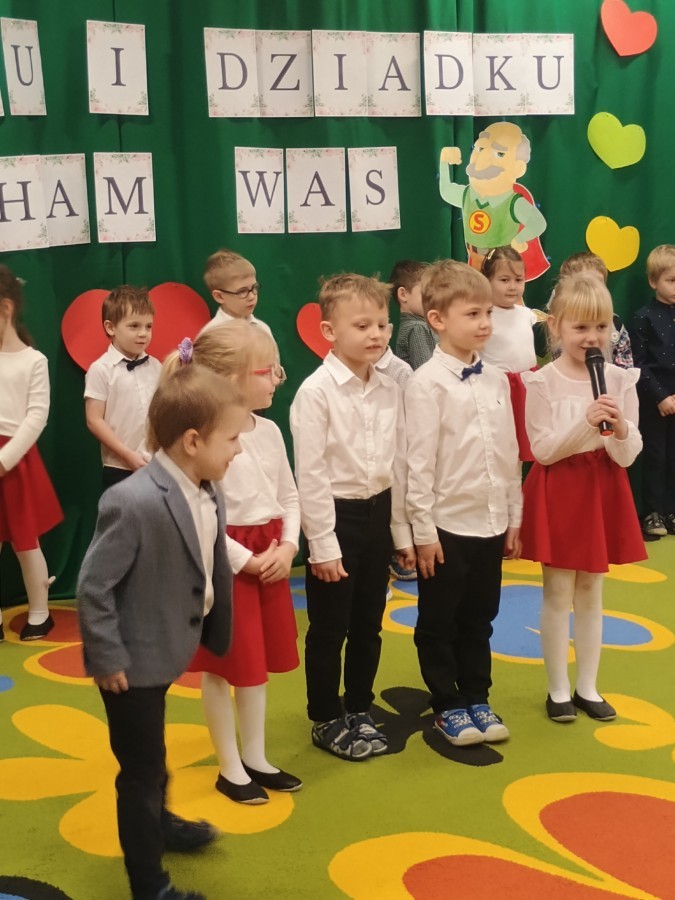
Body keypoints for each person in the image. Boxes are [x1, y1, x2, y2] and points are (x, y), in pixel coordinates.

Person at [77, 364, 248, 900]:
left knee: (152, 751)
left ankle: (162, 822)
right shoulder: (132, 502)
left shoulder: (207, 486)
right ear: (193, 441)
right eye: (232, 439)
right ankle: (149, 884)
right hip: (130, 663)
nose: (239, 449)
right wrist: (108, 658)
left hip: (167, 644)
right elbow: (94, 588)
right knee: (140, 771)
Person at [170, 322, 302, 805]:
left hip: (270, 558)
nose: (276, 380)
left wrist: (288, 547)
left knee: (256, 664)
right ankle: (229, 767)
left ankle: (256, 757)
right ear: (230, 379)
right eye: (268, 371)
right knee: (223, 668)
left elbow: (289, 496)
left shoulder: (269, 431)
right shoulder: (202, 439)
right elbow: (198, 512)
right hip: (225, 564)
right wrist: (247, 561)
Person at [290, 274, 414, 761]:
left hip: (379, 514)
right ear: (329, 331)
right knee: (329, 628)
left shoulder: (390, 388)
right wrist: (322, 545)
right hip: (336, 518)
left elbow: (398, 464)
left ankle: (359, 706)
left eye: (382, 324)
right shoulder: (315, 393)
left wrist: (401, 532)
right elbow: (311, 475)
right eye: (362, 326)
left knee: (368, 623)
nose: (376, 334)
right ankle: (325, 716)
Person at [404, 260, 521, 747]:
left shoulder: (496, 379)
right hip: (446, 526)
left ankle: (477, 695)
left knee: (480, 616)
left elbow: (510, 452)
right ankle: (447, 703)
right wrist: (423, 532)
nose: (484, 323)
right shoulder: (425, 384)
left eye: (487, 313)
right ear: (437, 319)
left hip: (490, 522)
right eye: (472, 314)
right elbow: (417, 465)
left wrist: (514, 516)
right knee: (439, 620)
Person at [521, 274, 646, 724]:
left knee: (592, 590)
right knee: (558, 591)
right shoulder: (542, 382)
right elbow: (542, 451)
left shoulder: (619, 379)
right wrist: (585, 424)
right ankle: (557, 688)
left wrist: (621, 428)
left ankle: (587, 687)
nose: (592, 337)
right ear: (555, 327)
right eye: (580, 327)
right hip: (560, 489)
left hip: (603, 488)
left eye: (601, 327)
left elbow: (627, 454)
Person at [0, 265, 62, 643]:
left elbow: (37, 416)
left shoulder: (33, 361)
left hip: (15, 461)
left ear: (6, 308)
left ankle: (40, 613)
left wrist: (5, 460)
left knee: (26, 542)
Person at [439, 122, 548, 278]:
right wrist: (444, 162)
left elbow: (538, 223)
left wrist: (519, 239)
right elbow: (446, 192)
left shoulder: (513, 203)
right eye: (480, 148)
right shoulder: (467, 195)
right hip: (474, 261)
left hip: (501, 266)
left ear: (518, 168)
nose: (483, 157)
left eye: (500, 153)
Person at [84, 285, 161, 490]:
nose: (143, 333)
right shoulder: (101, 369)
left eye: (148, 326)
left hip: (156, 464)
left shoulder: (156, 366)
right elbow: (94, 420)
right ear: (111, 328)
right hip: (119, 467)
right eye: (134, 326)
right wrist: (127, 455)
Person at [630, 245, 675, 540]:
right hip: (654, 400)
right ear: (653, 282)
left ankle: (671, 511)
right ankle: (652, 512)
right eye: (671, 280)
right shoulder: (643, 317)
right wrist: (660, 396)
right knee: (655, 457)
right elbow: (638, 363)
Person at [480, 246, 539, 461]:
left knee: (526, 442)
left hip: (527, 386)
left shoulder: (526, 314)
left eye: (518, 280)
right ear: (487, 281)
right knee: (501, 447)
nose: (513, 287)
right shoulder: (484, 316)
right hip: (498, 390)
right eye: (504, 280)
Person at [376, 323, 415, 584]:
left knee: (397, 499)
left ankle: (397, 551)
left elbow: (410, 418)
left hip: (396, 452)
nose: (374, 334)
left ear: (390, 330)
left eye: (381, 326)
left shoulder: (400, 372)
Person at [558, 252, 633, 369]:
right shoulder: (563, 325)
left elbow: (625, 368)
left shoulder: (615, 325)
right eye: (585, 284)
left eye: (598, 283)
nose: (592, 290)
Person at [200, 248, 273, 338]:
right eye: (242, 291)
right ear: (219, 296)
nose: (251, 296)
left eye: (254, 287)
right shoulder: (211, 336)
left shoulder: (263, 329)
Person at [391, 259, 437, 371]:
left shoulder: (419, 326)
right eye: (426, 293)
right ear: (403, 294)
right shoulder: (417, 328)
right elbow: (426, 372)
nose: (432, 299)